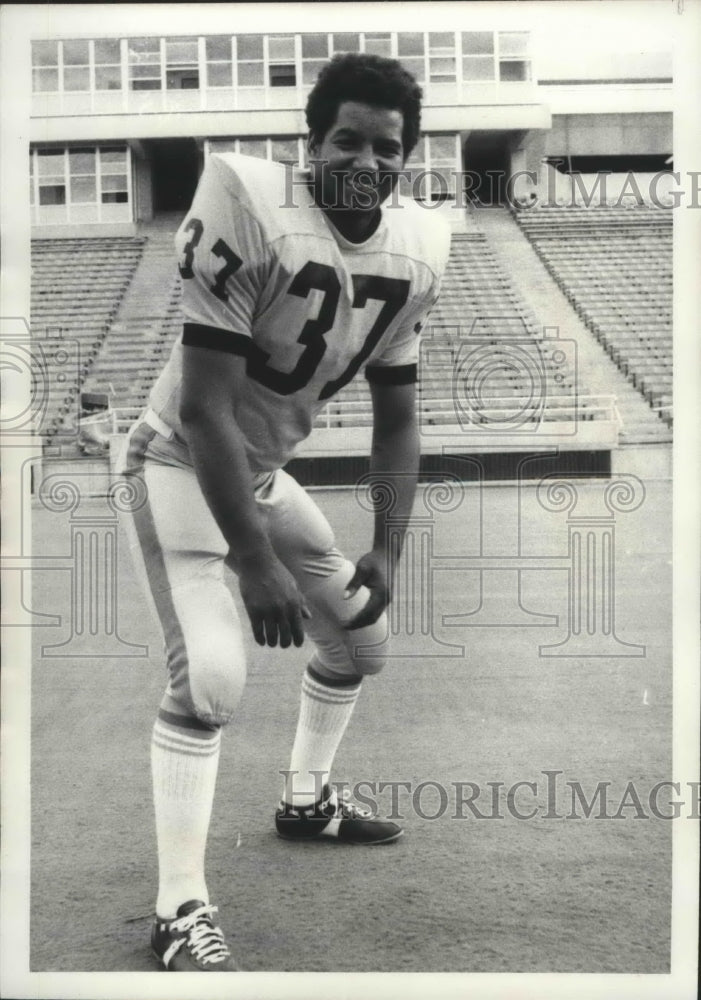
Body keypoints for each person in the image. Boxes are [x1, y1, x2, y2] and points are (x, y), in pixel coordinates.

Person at [119, 52, 451, 972]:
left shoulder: (413, 252)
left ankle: (305, 800)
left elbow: (399, 418)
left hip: (257, 476)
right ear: (311, 145)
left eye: (387, 147)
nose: (366, 159)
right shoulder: (248, 206)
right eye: (345, 138)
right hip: (178, 465)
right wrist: (254, 558)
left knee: (359, 639)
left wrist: (386, 547)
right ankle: (177, 907)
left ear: (404, 160)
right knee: (215, 679)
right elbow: (203, 408)